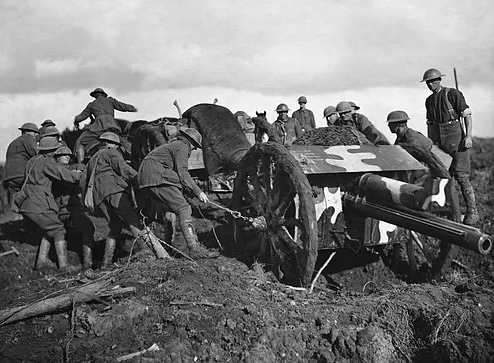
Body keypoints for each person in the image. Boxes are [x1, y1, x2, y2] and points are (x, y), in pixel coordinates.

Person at [137, 128, 220, 259]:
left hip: (147, 179)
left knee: (170, 210)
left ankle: (167, 247)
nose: (193, 150)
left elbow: (177, 177)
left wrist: (190, 191)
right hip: (157, 176)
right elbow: (183, 173)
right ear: (190, 141)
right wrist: (198, 192)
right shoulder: (182, 147)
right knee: (184, 208)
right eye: (195, 147)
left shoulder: (173, 145)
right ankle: (195, 249)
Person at [15, 137, 82, 273]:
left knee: (49, 230)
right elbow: (62, 174)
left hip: (27, 201)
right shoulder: (46, 162)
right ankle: (64, 266)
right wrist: (79, 175)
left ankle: (41, 261)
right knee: (58, 230)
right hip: (39, 202)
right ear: (51, 151)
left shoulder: (32, 161)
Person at [421, 68, 479, 226]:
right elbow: (430, 125)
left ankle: (472, 212)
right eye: (428, 82)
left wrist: (468, 136)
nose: (431, 84)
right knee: (444, 177)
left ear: (440, 80)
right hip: (440, 143)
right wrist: (431, 146)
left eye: (433, 81)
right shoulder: (429, 101)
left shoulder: (452, 94)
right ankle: (451, 213)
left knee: (461, 176)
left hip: (457, 141)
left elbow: (467, 115)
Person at [79, 132, 146, 268]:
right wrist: (141, 179)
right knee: (131, 217)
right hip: (114, 190)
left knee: (115, 225)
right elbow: (124, 169)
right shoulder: (111, 153)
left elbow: (82, 182)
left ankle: (106, 262)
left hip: (98, 197)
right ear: (113, 144)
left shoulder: (92, 159)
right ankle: (146, 251)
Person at [386, 110, 461, 220]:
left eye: (390, 124)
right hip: (433, 164)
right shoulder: (401, 137)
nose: (388, 126)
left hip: (440, 164)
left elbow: (424, 155)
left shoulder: (410, 138)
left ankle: (457, 223)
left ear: (397, 125)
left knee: (448, 191)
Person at [53, 146, 95, 269]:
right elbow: (73, 175)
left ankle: (83, 263)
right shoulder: (58, 170)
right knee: (88, 227)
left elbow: (75, 168)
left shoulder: (67, 168)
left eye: (69, 155)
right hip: (66, 209)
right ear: (57, 158)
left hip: (65, 210)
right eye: (64, 155)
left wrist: (80, 165)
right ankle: (87, 264)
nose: (67, 156)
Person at [73, 88, 137, 163]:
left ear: (95, 95)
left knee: (80, 142)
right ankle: (133, 153)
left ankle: (81, 165)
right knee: (122, 141)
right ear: (103, 94)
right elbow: (122, 106)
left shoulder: (92, 104)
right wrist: (134, 108)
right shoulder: (110, 100)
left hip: (98, 128)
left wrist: (76, 121)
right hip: (112, 126)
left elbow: (81, 116)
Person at [3, 122, 39, 219]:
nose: (36, 135)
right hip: (21, 174)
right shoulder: (29, 139)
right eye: (34, 132)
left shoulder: (13, 143)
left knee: (18, 199)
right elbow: (37, 154)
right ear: (26, 132)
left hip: (8, 176)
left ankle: (18, 218)